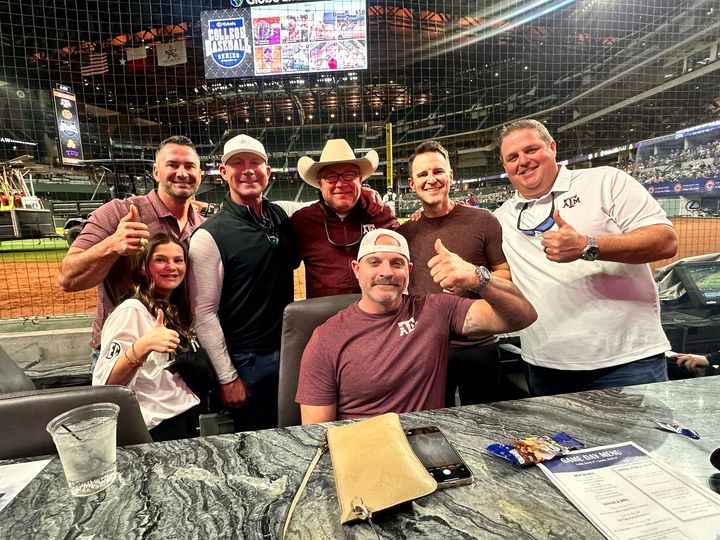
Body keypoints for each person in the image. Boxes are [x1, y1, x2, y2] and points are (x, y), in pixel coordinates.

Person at [494, 119, 678, 396]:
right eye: (513, 157)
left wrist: (588, 245)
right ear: (505, 165)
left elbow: (665, 241)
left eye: (531, 150)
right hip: (546, 366)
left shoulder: (605, 180)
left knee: (645, 440)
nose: (523, 161)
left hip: (628, 361)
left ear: (552, 147)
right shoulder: (501, 217)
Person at [295, 229, 537, 423]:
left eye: (397, 263)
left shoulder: (436, 310)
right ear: (357, 270)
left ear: (409, 270)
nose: (386, 272)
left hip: (425, 445)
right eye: (374, 262)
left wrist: (477, 277)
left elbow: (523, 316)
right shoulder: (326, 338)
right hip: (364, 450)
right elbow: (318, 432)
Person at [187, 134, 300, 432]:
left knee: (295, 432)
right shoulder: (209, 235)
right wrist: (227, 377)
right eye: (237, 163)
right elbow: (203, 314)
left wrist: (369, 195)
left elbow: (321, 204)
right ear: (223, 173)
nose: (247, 170)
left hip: (289, 352)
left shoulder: (279, 215)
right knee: (257, 439)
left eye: (255, 163)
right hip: (246, 361)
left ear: (268, 172)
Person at [58, 136, 204, 364]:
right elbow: (68, 278)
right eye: (173, 165)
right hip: (122, 351)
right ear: (156, 172)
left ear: (200, 174)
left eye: (190, 166)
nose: (182, 173)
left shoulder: (203, 228)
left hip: (179, 350)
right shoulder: (118, 212)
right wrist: (112, 245)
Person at [398, 140, 510, 405]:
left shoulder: (484, 220)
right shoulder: (404, 234)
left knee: (486, 423)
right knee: (432, 428)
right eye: (422, 174)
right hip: (427, 348)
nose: (431, 179)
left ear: (450, 175)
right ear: (412, 185)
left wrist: (473, 280)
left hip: (480, 345)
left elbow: (505, 275)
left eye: (438, 171)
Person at [93, 233, 199, 441]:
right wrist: (143, 346)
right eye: (160, 260)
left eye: (178, 260)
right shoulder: (131, 311)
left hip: (179, 417)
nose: (172, 266)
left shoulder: (171, 306)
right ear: (142, 267)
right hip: (154, 429)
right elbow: (105, 386)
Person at [292, 139, 399, 298]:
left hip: (377, 317)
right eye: (331, 177)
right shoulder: (302, 221)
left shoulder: (380, 214)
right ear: (320, 184)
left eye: (349, 175)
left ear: (360, 180)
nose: (341, 184)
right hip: (325, 318)